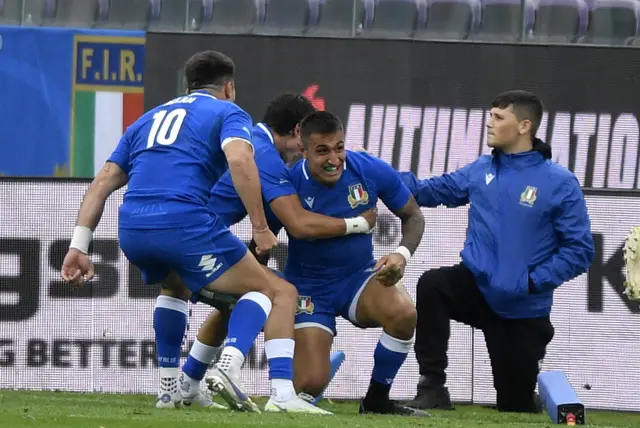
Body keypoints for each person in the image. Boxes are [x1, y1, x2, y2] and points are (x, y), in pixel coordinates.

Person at [59, 51, 295, 412]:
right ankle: (230, 366)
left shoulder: (146, 120)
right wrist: (260, 228)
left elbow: (104, 180)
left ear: (187, 86)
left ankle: (170, 388)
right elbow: (239, 160)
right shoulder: (228, 112)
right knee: (268, 288)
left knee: (175, 286)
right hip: (183, 222)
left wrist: (79, 245)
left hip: (134, 229)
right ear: (229, 86)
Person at [400, 90, 595, 413]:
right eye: (490, 116)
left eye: (498, 118)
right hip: (476, 287)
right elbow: (428, 191)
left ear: (524, 126)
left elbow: (579, 250)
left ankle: (530, 393)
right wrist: (380, 175)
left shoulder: (559, 182)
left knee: (514, 404)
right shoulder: (481, 169)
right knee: (433, 285)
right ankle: (432, 386)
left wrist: (531, 282)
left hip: (523, 306)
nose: (489, 124)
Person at [181, 94, 376, 414]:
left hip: (184, 233)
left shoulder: (251, 141)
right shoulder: (266, 155)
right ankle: (269, 385)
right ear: (298, 132)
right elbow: (298, 223)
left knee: (241, 297)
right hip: (197, 239)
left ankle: (186, 383)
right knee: (279, 291)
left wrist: (258, 246)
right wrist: (358, 223)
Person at [282, 111, 426, 416]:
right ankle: (315, 370)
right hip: (308, 290)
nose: (334, 159)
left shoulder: (368, 168)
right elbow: (264, 232)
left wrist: (401, 255)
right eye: (322, 151)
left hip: (357, 278)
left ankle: (376, 401)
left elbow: (413, 215)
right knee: (309, 384)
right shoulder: (288, 180)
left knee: (404, 313)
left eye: (339, 147)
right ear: (303, 150)